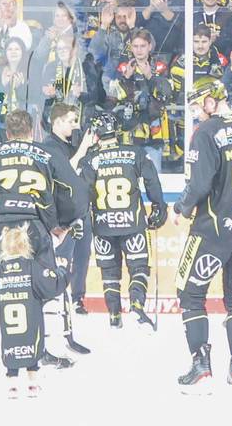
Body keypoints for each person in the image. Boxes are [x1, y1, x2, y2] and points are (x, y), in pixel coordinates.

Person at [0, 107, 80, 369]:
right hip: (29, 227)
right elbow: (75, 192)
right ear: (32, 131)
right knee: (42, 289)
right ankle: (43, 350)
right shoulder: (46, 154)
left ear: (7, 132)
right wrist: (64, 224)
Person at [171, 78, 232, 391]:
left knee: (190, 293)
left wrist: (180, 208)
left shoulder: (207, 132)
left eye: (197, 105)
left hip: (212, 229)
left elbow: (198, 184)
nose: (195, 113)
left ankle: (201, 365)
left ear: (212, 100)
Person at [80, 111, 165, 328]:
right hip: (132, 223)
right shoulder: (134, 153)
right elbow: (152, 181)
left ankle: (114, 315)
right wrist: (158, 207)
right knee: (138, 267)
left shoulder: (89, 159)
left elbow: (83, 192)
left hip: (103, 225)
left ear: (97, 134)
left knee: (110, 272)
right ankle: (137, 303)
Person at [0, 221, 65, 397]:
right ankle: (32, 385)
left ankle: (12, 385)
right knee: (33, 348)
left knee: (11, 352)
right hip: (31, 324)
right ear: (25, 245)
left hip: (9, 331)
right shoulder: (31, 267)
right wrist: (62, 273)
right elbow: (49, 288)